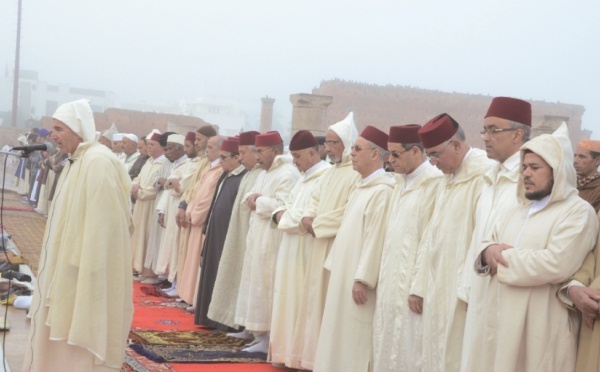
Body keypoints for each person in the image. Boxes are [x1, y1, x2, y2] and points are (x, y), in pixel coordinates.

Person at [466, 123, 598, 372]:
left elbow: (555, 263)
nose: (526, 173)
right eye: (524, 167)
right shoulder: (515, 207)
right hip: (497, 320)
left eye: (535, 167)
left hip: (541, 326)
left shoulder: (578, 212)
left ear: (557, 171)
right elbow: (486, 241)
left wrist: (499, 256)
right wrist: (487, 252)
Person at [23, 99, 133, 371]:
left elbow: (104, 227)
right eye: (53, 129)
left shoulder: (97, 162)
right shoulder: (77, 160)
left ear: (77, 129)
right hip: (65, 266)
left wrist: (84, 270)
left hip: (83, 270)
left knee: (79, 337)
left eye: (59, 128)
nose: (53, 135)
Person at [411, 113, 494, 372]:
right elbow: (431, 236)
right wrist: (419, 284)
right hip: (436, 286)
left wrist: (468, 290)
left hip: (463, 288)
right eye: (429, 157)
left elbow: (483, 237)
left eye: (435, 155)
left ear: (456, 145)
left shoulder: (484, 177)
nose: (432, 163)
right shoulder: (446, 179)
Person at [313, 125, 394, 372]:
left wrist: (363, 278)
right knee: (337, 334)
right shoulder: (361, 187)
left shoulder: (382, 191)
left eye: (357, 149)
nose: (351, 154)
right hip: (343, 274)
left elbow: (375, 238)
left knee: (355, 340)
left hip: (358, 283)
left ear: (375, 154)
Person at [460, 97, 532, 370]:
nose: (485, 138)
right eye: (484, 131)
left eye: (493, 130)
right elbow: (477, 236)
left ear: (518, 135)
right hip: (479, 288)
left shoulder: (528, 178)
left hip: (510, 291)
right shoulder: (490, 176)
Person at [373, 124, 443, 372]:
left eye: (395, 154)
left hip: (413, 288)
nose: (390, 161)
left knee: (411, 348)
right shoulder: (397, 183)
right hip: (390, 282)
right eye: (388, 154)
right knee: (387, 340)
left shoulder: (434, 183)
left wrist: (419, 287)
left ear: (415, 151)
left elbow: (431, 240)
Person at [295, 112, 361, 370]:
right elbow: (315, 198)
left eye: (335, 143)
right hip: (317, 244)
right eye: (328, 143)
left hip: (336, 247)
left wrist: (318, 224)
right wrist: (308, 217)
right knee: (314, 302)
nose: (329, 148)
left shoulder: (355, 174)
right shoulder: (331, 173)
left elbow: (348, 211)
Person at [269, 130, 330, 368]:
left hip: (306, 251)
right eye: (292, 155)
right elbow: (285, 207)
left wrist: (283, 217)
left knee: (300, 302)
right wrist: (282, 215)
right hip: (290, 249)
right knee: (286, 298)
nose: (294, 160)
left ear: (313, 153)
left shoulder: (325, 177)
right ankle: (285, 353)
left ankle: (300, 357)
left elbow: (307, 216)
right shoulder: (303, 178)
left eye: (298, 155)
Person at [235, 131, 300, 353]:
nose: (257, 156)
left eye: (260, 151)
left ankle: (268, 336)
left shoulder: (287, 173)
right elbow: (250, 196)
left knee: (267, 284)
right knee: (254, 282)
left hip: (272, 238)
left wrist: (258, 200)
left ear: (275, 151)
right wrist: (254, 199)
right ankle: (255, 330)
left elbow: (285, 205)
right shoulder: (264, 172)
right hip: (257, 235)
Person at [208, 131, 262, 331]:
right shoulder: (252, 174)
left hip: (254, 239)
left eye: (242, 153)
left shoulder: (261, 175)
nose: (239, 158)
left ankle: (246, 328)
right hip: (239, 237)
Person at [195, 138, 247, 329]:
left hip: (227, 236)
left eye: (224, 157)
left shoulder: (242, 178)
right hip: (215, 233)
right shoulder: (226, 175)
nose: (221, 161)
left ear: (236, 158)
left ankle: (222, 322)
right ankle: (208, 317)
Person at [178, 136, 224, 306]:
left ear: (220, 149)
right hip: (193, 219)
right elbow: (196, 192)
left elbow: (207, 200)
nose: (207, 150)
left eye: (211, 147)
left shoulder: (219, 170)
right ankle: (188, 295)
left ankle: (195, 299)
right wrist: (189, 210)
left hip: (200, 222)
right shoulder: (210, 168)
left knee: (197, 262)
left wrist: (195, 215)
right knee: (190, 260)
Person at [154, 131, 200, 293]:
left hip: (183, 209)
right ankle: (172, 282)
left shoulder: (197, 165)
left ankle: (177, 285)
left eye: (188, 146)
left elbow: (182, 186)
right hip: (173, 208)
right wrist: (162, 209)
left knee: (179, 249)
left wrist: (174, 183)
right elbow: (170, 185)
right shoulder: (184, 164)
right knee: (171, 248)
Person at [130, 132, 166, 280]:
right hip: (140, 204)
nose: (149, 148)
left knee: (148, 237)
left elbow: (154, 188)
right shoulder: (149, 162)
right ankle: (139, 269)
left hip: (151, 205)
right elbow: (137, 179)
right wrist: (134, 187)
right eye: (148, 145)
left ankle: (149, 272)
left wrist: (140, 192)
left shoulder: (163, 163)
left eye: (152, 145)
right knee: (138, 237)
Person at [574, 139, 600, 212]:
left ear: (597, 160)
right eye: (575, 155)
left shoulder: (598, 190)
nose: (575, 161)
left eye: (582, 157)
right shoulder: (567, 184)